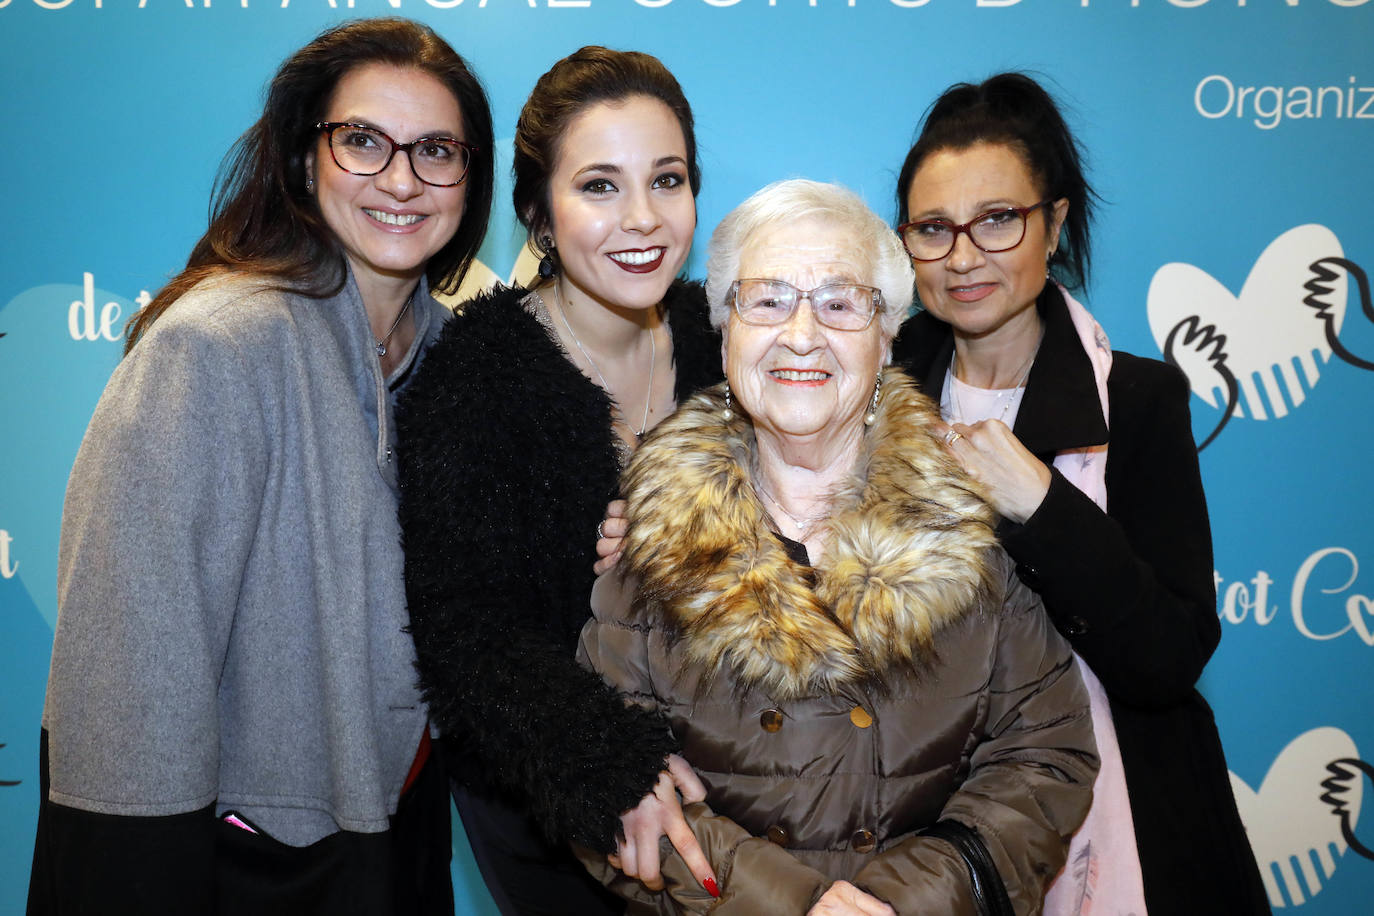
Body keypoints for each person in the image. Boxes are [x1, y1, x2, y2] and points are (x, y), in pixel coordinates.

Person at [26, 18, 493, 914]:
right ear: (300, 158)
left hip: (395, 843)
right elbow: (128, 678)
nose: (401, 178)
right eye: (362, 141)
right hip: (237, 867)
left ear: (469, 180)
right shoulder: (215, 346)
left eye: (436, 150)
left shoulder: (457, 359)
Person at [577, 179, 1099, 916]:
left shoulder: (971, 527)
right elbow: (601, 779)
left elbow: (1048, 754)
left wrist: (905, 903)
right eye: (766, 299)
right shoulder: (647, 543)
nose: (801, 333)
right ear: (724, 328)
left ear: (887, 335)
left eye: (839, 302)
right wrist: (795, 907)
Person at [891, 72, 1270, 914]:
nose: (963, 256)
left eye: (997, 220)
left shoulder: (1136, 401)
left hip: (1129, 818)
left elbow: (1169, 657)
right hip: (927, 827)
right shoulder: (872, 401)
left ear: (1053, 222)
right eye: (932, 228)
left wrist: (1043, 504)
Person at [395, 47, 723, 915]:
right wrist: (606, 766)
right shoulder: (475, 377)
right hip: (548, 794)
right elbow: (465, 636)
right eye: (600, 187)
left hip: (746, 768)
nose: (643, 219)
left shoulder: (732, 343)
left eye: (668, 179)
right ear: (538, 211)